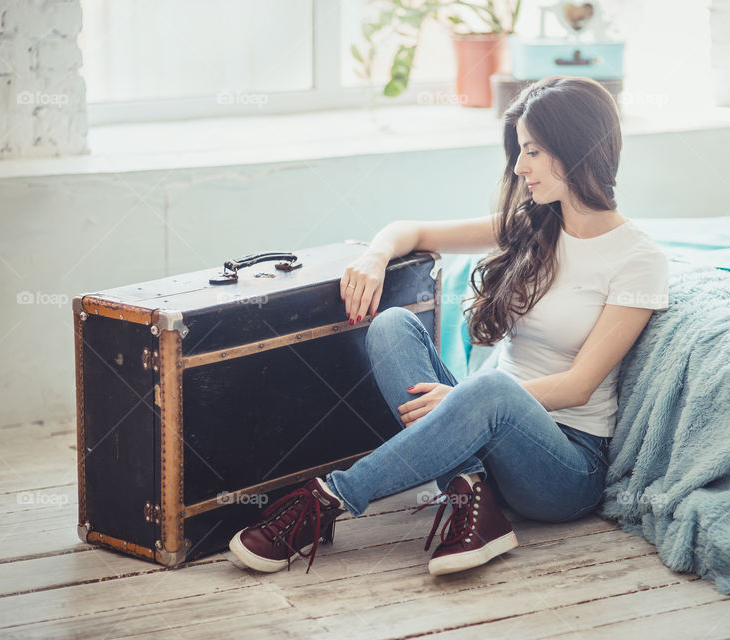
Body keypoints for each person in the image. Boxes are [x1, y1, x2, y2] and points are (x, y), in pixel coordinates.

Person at [229, 75, 669, 577]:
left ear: (577, 146)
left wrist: (464, 398)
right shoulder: (532, 224)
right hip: (485, 437)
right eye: (520, 152)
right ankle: (472, 501)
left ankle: (325, 500)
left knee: (493, 388)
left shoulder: (637, 259)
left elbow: (578, 386)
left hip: (564, 466)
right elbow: (411, 230)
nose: (520, 167)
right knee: (393, 326)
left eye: (533, 151)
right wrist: (375, 257)